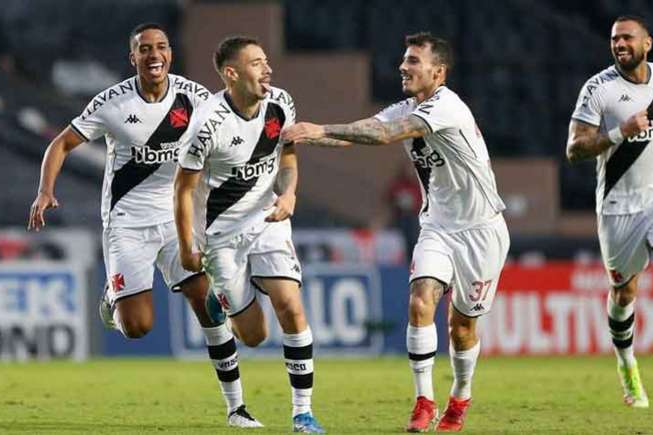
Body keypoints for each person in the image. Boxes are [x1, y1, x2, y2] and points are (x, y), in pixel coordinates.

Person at [27, 23, 263, 428]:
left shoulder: (196, 98)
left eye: (161, 47)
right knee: (137, 327)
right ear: (132, 58)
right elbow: (61, 143)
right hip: (127, 223)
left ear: (170, 54)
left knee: (208, 303)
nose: (154, 55)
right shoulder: (112, 103)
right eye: (145, 49)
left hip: (176, 219)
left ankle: (237, 408)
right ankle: (112, 301)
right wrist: (45, 190)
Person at [282, 32, 509, 433]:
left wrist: (318, 130)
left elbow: (385, 135)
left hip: (481, 230)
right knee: (421, 300)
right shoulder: (407, 106)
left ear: (438, 72)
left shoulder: (447, 106)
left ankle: (460, 396)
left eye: (413, 61)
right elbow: (362, 130)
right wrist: (308, 135)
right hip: (438, 225)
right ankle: (424, 401)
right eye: (404, 60)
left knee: (462, 327)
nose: (403, 67)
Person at [174, 36, 325, 433]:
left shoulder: (281, 103)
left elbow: (287, 157)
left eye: (266, 61)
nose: (268, 69)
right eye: (257, 63)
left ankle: (302, 413)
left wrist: (290, 193)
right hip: (220, 237)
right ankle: (221, 297)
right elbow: (183, 189)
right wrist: (187, 243)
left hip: (267, 221)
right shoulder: (206, 124)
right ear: (232, 73)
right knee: (254, 335)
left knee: (290, 305)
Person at [566, 15, 653, 408]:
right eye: (614, 39)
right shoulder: (598, 89)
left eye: (627, 37)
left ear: (648, 43)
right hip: (618, 205)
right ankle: (627, 365)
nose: (619, 43)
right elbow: (574, 149)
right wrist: (618, 133)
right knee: (624, 291)